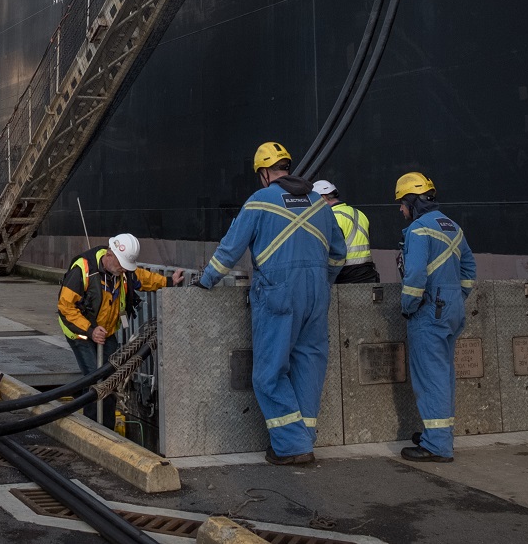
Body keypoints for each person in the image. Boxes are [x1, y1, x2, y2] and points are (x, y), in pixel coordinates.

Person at [197, 142, 344, 464]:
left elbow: (231, 249)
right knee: (309, 365)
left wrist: (206, 280)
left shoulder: (259, 200)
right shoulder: (319, 203)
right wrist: (323, 281)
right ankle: (304, 437)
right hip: (317, 294)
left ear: (264, 173)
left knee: (268, 373)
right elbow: (339, 253)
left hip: (278, 292)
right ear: (286, 167)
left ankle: (292, 446)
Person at [58, 233, 182, 428]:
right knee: (95, 381)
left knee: (111, 380)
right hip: (81, 333)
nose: (124, 268)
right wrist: (90, 331)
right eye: (121, 263)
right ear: (110, 254)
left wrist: (168, 282)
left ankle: (105, 429)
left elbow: (143, 278)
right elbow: (65, 307)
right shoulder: (82, 270)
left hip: (105, 332)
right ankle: (93, 431)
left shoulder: (122, 272)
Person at [395, 171, 476, 463]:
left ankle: (437, 445)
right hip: (452, 309)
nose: (401, 211)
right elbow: (469, 270)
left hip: (430, 310)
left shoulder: (418, 230)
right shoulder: (453, 227)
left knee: (430, 378)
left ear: (412, 201)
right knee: (444, 375)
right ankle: (438, 434)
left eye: (401, 204)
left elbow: (415, 276)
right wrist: (456, 297)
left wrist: (407, 305)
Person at [313, 180, 379, 284]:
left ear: (323, 198)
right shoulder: (359, 213)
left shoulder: (331, 217)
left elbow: (332, 250)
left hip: (344, 275)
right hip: (367, 272)